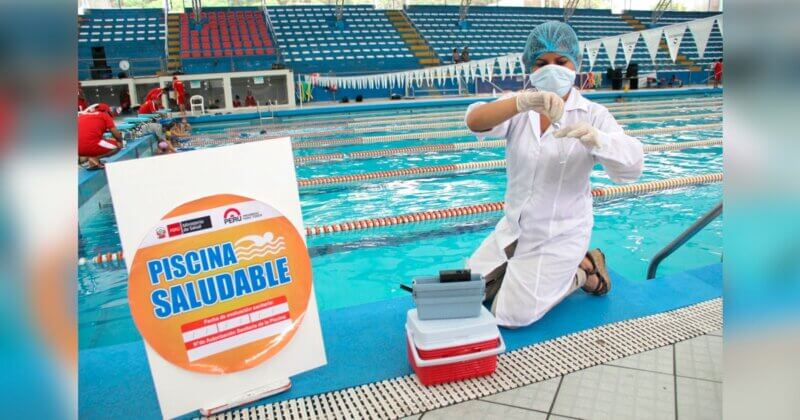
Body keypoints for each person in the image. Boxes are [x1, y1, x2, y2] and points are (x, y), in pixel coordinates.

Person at [463, 21, 643, 328]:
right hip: (512, 230)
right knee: (467, 295)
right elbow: (474, 120)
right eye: (541, 63)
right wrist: (521, 102)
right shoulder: (519, 108)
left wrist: (598, 139)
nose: (552, 69)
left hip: (560, 235)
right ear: (530, 68)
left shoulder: (593, 115)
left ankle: (585, 270)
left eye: (561, 62)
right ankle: (519, 269)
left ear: (575, 65)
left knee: (510, 316)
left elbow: (632, 167)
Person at [78, 103, 123, 170]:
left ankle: (83, 159)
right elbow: (115, 132)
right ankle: (95, 158)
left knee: (87, 146)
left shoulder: (82, 115)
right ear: (106, 111)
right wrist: (120, 141)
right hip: (90, 145)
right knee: (118, 145)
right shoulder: (104, 115)